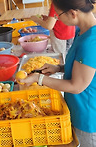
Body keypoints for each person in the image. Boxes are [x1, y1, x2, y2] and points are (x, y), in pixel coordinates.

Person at [20, 0, 96, 146]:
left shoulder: (91, 41)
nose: (57, 19)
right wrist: (59, 68)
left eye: (58, 14)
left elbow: (77, 86)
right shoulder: (82, 30)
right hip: (76, 108)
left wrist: (39, 78)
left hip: (87, 116)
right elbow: (83, 66)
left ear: (73, 13)